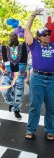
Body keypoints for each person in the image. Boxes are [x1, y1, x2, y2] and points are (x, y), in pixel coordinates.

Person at [24, 8, 54, 140]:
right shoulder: (34, 44)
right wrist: (32, 16)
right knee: (35, 106)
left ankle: (50, 130)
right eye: (45, 34)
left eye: (49, 34)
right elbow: (26, 31)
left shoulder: (53, 45)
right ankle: (31, 130)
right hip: (37, 78)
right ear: (39, 37)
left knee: (52, 108)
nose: (48, 36)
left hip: (52, 80)